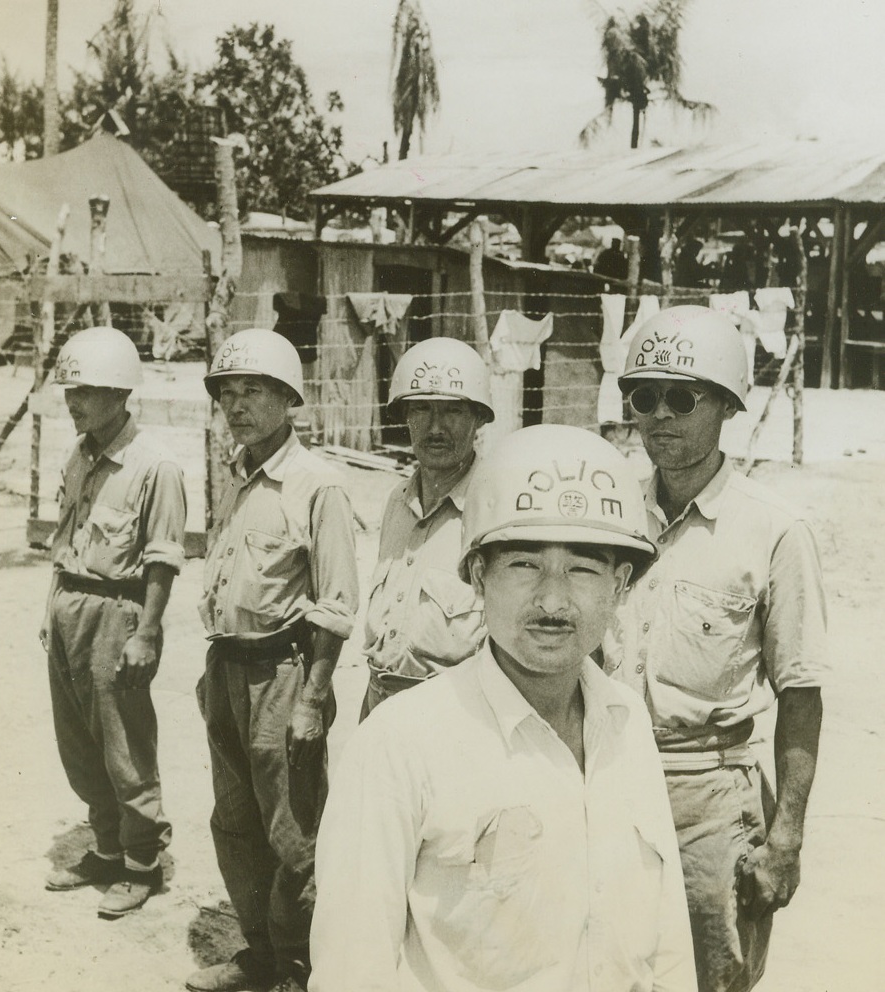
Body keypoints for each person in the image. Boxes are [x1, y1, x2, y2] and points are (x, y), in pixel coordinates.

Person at [311, 425, 698, 992]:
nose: (552, 600)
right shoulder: (400, 742)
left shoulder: (627, 722)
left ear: (620, 587)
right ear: (476, 576)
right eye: (523, 564)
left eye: (583, 569)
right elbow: (352, 967)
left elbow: (664, 938)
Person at [603, 305, 828, 992]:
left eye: (681, 398)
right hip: (610, 778)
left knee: (713, 975)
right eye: (645, 397)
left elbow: (802, 692)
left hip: (712, 792)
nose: (660, 417)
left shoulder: (774, 531)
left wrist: (785, 836)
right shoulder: (608, 514)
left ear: (727, 406)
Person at [187, 329, 360, 992]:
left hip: (285, 674)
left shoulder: (319, 485)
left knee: (290, 830)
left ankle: (299, 965)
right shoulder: (236, 474)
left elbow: (336, 605)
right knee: (234, 820)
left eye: (252, 391)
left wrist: (313, 699)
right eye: (227, 394)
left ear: (290, 399)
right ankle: (258, 950)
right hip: (227, 668)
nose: (237, 405)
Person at [41, 326, 186, 918]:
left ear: (121, 393)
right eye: (69, 389)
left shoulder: (154, 467)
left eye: (87, 390)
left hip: (117, 612)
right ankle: (105, 849)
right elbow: (65, 539)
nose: (73, 401)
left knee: (124, 744)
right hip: (69, 605)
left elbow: (162, 558)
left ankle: (141, 863)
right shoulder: (79, 455)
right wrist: (49, 611)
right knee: (77, 742)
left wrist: (146, 633)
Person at [360, 336, 494, 718]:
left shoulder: (493, 510)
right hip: (380, 701)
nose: (435, 427)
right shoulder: (396, 502)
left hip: (452, 713)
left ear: (479, 417)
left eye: (452, 411)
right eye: (421, 409)